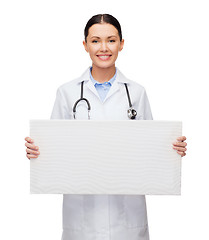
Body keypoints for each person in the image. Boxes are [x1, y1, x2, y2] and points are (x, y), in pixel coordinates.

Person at [25, 14, 187, 240]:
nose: (104, 47)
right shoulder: (67, 93)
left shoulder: (136, 93)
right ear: (85, 45)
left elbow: (149, 150)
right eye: (95, 40)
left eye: (111, 40)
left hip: (127, 217)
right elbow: (54, 150)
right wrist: (37, 152)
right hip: (82, 217)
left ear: (121, 44)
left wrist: (171, 150)